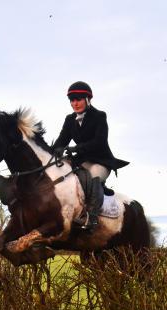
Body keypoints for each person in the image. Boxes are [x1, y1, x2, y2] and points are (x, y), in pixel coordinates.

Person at [53, 81, 129, 231]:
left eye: (78, 99)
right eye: (72, 100)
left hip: (101, 161)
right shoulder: (69, 119)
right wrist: (52, 150)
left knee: (94, 175)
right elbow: (61, 141)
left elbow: (99, 142)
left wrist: (76, 148)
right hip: (82, 160)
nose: (75, 104)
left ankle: (92, 218)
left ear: (88, 99)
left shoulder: (99, 116)